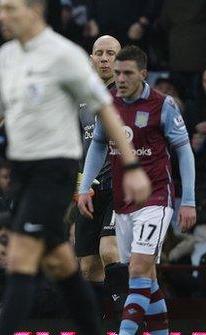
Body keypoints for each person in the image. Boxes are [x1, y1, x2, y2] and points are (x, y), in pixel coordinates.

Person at [0, 0, 152, 334]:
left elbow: (105, 109)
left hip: (55, 169)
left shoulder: (63, 55)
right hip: (23, 171)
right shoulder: (5, 56)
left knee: (20, 258)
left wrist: (133, 166)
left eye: (8, 8)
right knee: (65, 265)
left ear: (34, 11)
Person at [78, 45, 197, 335]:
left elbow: (184, 152)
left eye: (127, 73)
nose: (119, 78)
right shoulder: (109, 104)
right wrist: (84, 187)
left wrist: (189, 200)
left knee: (136, 271)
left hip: (155, 197)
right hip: (122, 201)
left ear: (143, 74)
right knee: (146, 278)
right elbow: (96, 145)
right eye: (117, 73)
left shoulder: (163, 105)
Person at [75, 35, 128, 314]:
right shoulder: (81, 100)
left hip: (120, 188)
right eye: (99, 53)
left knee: (109, 251)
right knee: (88, 268)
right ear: (91, 59)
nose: (105, 58)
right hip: (89, 190)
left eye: (111, 53)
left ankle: (131, 325)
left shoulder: (128, 95)